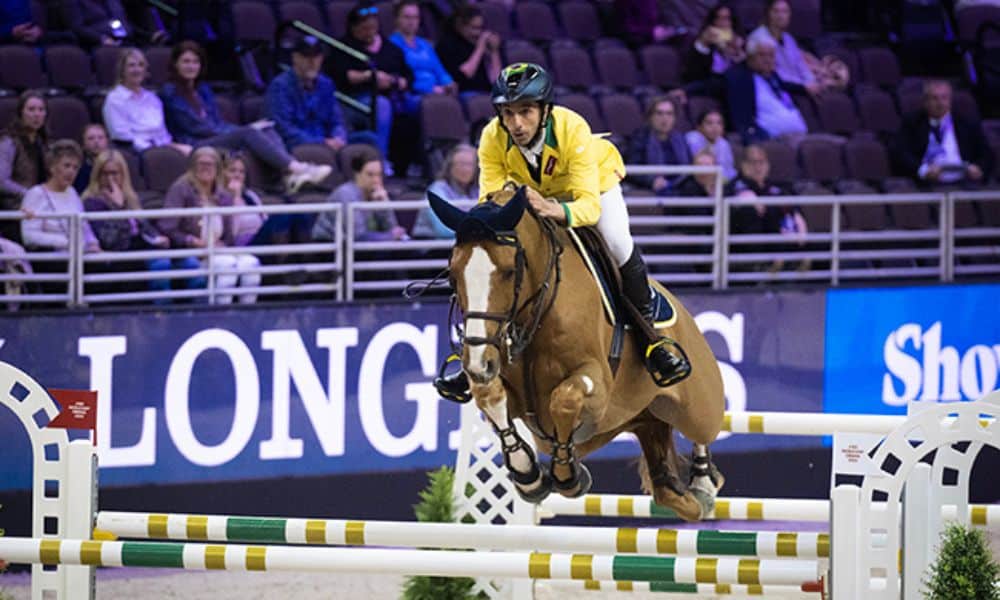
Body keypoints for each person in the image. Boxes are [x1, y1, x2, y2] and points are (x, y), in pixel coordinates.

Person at [434, 63, 690, 402]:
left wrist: (556, 210)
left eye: (525, 112)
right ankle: (476, 358)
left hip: (590, 188)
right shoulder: (492, 137)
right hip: (532, 196)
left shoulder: (572, 128)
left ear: (544, 110)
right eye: (508, 113)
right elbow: (491, 202)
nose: (516, 123)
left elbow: (588, 207)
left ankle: (652, 339)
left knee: (616, 240)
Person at [161, 41, 331, 192]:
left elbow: (216, 121)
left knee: (267, 127)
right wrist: (239, 131)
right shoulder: (170, 92)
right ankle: (297, 168)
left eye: (195, 62)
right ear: (175, 64)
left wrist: (242, 129)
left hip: (214, 136)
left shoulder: (203, 90)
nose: (191, 66)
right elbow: (196, 126)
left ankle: (287, 177)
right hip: (194, 143)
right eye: (186, 62)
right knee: (249, 132)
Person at [158, 147, 260, 304]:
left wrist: (224, 244)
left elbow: (228, 235)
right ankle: (220, 315)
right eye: (201, 164)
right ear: (192, 167)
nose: (206, 168)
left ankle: (246, 315)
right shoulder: (180, 189)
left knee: (251, 264)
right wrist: (191, 241)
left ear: (217, 168)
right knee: (228, 266)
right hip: (193, 252)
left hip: (218, 250)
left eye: (210, 164)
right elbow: (167, 226)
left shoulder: (223, 195)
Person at [330, 3, 414, 172]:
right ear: (354, 28)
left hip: (394, 96)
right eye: (364, 28)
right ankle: (380, 160)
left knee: (425, 105)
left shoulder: (390, 48)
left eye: (373, 27)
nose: (369, 31)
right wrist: (370, 76)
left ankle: (420, 164)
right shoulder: (343, 47)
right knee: (382, 105)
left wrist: (394, 81)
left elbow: (408, 77)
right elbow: (340, 75)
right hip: (354, 100)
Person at [266, 35, 380, 160]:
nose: (312, 62)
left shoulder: (326, 84)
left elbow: (337, 120)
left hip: (328, 141)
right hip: (300, 144)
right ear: (295, 58)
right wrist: (321, 143)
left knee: (369, 139)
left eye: (316, 57)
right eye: (306, 56)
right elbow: (284, 129)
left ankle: (379, 173)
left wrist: (338, 138)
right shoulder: (280, 86)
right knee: (314, 151)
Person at [893, 80, 994, 188]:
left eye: (944, 98)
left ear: (950, 100)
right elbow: (901, 153)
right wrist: (923, 170)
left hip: (964, 180)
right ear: (925, 101)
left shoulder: (966, 123)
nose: (940, 103)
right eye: (935, 98)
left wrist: (979, 168)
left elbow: (987, 154)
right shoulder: (912, 123)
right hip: (927, 182)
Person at [727, 144, 807, 271]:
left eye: (761, 162)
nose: (758, 167)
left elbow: (791, 207)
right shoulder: (734, 187)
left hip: (781, 241)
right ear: (743, 165)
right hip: (746, 248)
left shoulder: (774, 188)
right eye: (753, 162)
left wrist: (796, 215)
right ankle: (762, 264)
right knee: (751, 211)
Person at [103, 47, 193, 155]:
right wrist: (152, 148)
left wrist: (171, 147)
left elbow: (162, 134)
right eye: (131, 65)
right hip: (135, 152)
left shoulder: (152, 98)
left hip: (161, 147)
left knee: (192, 151)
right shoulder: (115, 99)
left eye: (141, 65)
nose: (137, 70)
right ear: (122, 70)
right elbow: (121, 135)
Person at [20, 140, 100, 253]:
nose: (71, 171)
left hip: (80, 256)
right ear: (52, 167)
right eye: (66, 166)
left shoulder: (72, 193)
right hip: (52, 258)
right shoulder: (36, 194)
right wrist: (65, 242)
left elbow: (84, 225)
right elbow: (29, 236)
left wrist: (93, 243)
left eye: (75, 168)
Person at [725, 36, 808, 143]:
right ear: (750, 57)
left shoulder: (772, 76)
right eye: (762, 55)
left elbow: (785, 86)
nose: (768, 60)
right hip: (772, 138)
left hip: (799, 134)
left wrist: (805, 88)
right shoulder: (737, 77)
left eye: (771, 56)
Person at [82, 149, 167, 252]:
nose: (110, 179)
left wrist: (157, 237)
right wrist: (118, 207)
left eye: (114, 173)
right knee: (161, 264)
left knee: (185, 260)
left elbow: (145, 227)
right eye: (105, 174)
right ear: (97, 176)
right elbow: (109, 241)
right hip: (119, 254)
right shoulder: (91, 202)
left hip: (141, 247)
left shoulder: (130, 197)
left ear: (123, 174)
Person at [312, 150, 407, 242]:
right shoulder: (346, 194)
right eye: (370, 175)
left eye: (379, 175)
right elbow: (358, 237)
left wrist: (384, 205)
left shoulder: (377, 194)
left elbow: (393, 229)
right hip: (332, 248)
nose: (376, 180)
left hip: (360, 250)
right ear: (357, 174)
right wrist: (390, 236)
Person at [222, 153, 313, 246]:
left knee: (300, 215)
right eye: (232, 171)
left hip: (260, 237)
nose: (238, 175)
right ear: (223, 173)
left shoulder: (250, 195)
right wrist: (235, 197)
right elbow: (230, 234)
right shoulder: (220, 198)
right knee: (281, 217)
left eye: (242, 172)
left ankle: (306, 257)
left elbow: (264, 220)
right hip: (242, 245)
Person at [389, 1, 457, 99]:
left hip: (437, 91)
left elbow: (440, 70)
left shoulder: (425, 44)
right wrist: (430, 89)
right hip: (411, 94)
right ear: (396, 19)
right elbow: (402, 78)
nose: (411, 22)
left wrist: (448, 84)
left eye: (415, 17)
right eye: (407, 17)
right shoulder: (392, 44)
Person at [747, 0, 820, 91]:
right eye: (776, 11)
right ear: (768, 14)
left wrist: (812, 82)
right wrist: (804, 86)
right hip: (776, 89)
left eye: (785, 11)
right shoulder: (759, 38)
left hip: (801, 87)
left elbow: (800, 65)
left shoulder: (788, 38)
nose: (780, 16)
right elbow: (775, 74)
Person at [625, 96, 692, 194]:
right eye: (659, 113)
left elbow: (689, 167)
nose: (664, 118)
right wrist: (651, 181)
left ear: (674, 118)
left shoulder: (680, 139)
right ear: (650, 117)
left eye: (669, 114)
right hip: (653, 187)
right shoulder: (640, 139)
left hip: (680, 185)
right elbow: (633, 171)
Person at [412, 143, 478, 239]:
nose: (465, 169)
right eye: (461, 164)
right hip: (433, 245)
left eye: (470, 165)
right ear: (450, 167)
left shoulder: (478, 190)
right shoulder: (436, 190)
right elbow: (444, 230)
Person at [435, 3, 502, 94]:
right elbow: (463, 76)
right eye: (474, 28)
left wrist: (494, 52)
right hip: (465, 93)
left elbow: (496, 82)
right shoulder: (447, 44)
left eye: (481, 28)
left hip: (486, 92)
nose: (478, 33)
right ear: (460, 26)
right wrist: (480, 48)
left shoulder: (483, 43)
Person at [0, 91, 49, 212]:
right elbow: (1, 181)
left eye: (41, 110)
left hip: (40, 206)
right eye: (31, 109)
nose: (37, 114)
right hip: (14, 207)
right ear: (21, 113)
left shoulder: (43, 143)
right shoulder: (9, 142)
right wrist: (29, 194)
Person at [683, 4, 746, 97]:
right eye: (718, 18)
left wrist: (737, 52)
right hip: (709, 86)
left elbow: (746, 73)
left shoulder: (740, 42)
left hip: (732, 87)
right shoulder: (702, 42)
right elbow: (693, 74)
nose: (722, 23)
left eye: (726, 18)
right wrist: (704, 44)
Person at [685, 109, 736, 181]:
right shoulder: (692, 139)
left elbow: (729, 170)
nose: (715, 127)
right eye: (709, 123)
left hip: (721, 184)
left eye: (719, 123)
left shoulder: (724, 144)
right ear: (699, 127)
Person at [56, 0, 133, 48]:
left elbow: (122, 19)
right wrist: (103, 39)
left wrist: (122, 35)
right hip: (92, 43)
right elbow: (77, 27)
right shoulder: (71, 2)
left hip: (123, 39)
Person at [74, 123, 111, 193]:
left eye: (100, 138)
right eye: (91, 138)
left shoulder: (116, 165)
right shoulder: (79, 169)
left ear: (107, 141)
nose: (96, 141)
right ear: (83, 144)